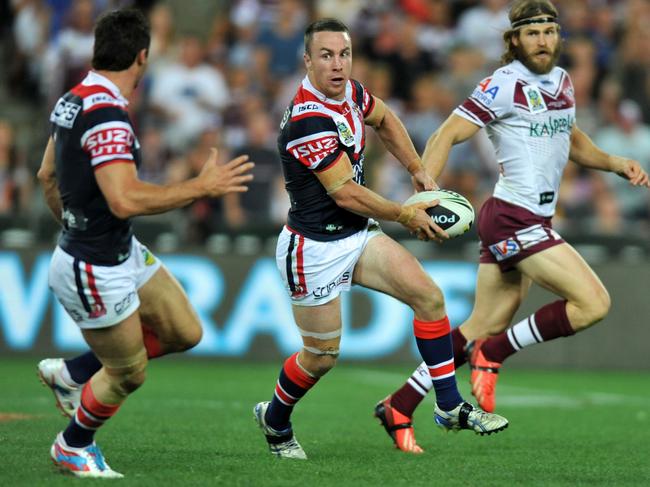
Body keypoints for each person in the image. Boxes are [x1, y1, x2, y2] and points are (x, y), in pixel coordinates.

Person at [375, 0, 650, 454]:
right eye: (532, 32)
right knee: (593, 302)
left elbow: (571, 137)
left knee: (479, 324)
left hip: (529, 218)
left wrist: (614, 162)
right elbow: (447, 133)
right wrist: (425, 193)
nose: (542, 39)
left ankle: (399, 405)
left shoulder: (562, 81)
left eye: (549, 31)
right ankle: (495, 353)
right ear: (515, 40)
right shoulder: (503, 85)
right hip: (511, 217)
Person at [253, 18, 508, 461]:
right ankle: (275, 418)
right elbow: (344, 192)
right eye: (327, 55)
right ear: (307, 61)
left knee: (429, 297)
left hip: (356, 236)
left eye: (344, 54)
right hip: (312, 249)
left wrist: (417, 170)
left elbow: (386, 119)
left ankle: (447, 406)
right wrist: (405, 214)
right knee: (321, 356)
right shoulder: (307, 118)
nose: (337, 64)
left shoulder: (350, 92)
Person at [36, 9, 253, 478]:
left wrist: (75, 224)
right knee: (128, 373)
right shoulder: (107, 112)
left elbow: (46, 175)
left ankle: (73, 373)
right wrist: (201, 187)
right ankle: (73, 445)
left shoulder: (73, 99)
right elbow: (124, 198)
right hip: (95, 265)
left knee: (184, 332)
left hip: (116, 250)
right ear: (142, 57)